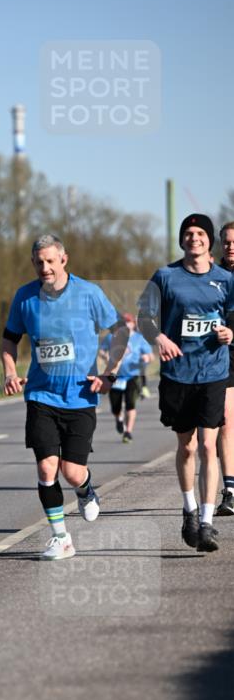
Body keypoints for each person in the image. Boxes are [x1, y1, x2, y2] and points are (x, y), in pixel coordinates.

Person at [1, 234, 129, 561]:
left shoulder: (89, 293)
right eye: (38, 262)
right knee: (46, 468)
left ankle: (85, 491)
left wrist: (109, 372)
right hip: (41, 396)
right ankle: (61, 538)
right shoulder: (25, 297)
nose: (45, 267)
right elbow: (9, 340)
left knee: (72, 472)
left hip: (81, 397)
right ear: (33, 263)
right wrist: (10, 371)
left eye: (50, 261)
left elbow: (120, 331)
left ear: (63, 259)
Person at [138, 213, 234, 552]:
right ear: (182, 240)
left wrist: (230, 331)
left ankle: (206, 522)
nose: (194, 238)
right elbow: (144, 318)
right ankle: (189, 510)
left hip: (213, 372)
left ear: (210, 241)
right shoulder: (165, 276)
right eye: (189, 233)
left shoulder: (225, 279)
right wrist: (159, 338)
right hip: (178, 373)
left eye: (200, 233)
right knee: (187, 446)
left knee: (209, 446)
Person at [99, 313, 153, 443]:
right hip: (115, 376)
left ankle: (128, 431)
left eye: (128, 322)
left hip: (132, 375)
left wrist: (146, 358)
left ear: (133, 324)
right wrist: (105, 356)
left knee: (131, 404)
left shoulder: (139, 339)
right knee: (115, 407)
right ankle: (119, 419)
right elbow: (101, 350)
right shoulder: (111, 337)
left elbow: (150, 355)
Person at [215, 220, 234, 516]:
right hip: (223, 357)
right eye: (227, 242)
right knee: (226, 421)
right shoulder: (213, 276)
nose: (231, 247)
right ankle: (230, 490)